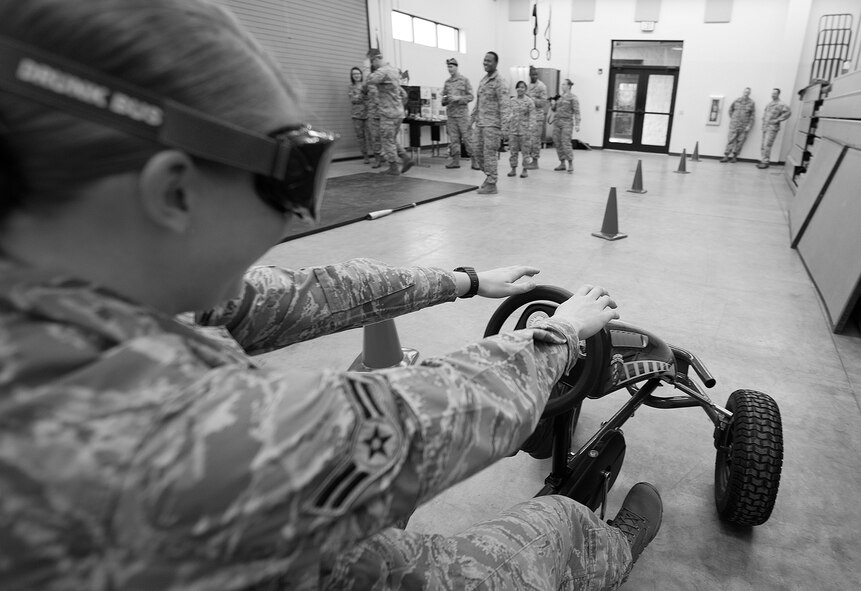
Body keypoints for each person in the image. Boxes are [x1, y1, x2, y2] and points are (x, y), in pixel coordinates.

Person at [0, 1, 664, 589]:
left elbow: (301, 295)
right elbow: (418, 423)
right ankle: (607, 548)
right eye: (289, 177)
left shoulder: (75, 286)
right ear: (174, 191)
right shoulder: (149, 440)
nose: (304, 212)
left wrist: (463, 280)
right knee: (552, 528)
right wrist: (556, 334)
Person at [364, 48, 414, 175]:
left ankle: (393, 167)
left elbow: (369, 80)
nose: (372, 65)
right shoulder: (393, 69)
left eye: (371, 62)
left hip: (388, 112)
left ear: (376, 59)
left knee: (386, 139)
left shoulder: (382, 71)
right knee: (391, 138)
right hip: (398, 111)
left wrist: (366, 68)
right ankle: (405, 157)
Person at [472, 51, 511, 195]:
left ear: (496, 63)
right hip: (480, 123)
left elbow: (505, 105)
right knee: (476, 151)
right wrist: (471, 119)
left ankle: (492, 183)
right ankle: (489, 177)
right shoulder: (483, 80)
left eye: (489, 61)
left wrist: (505, 127)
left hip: (493, 125)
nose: (485, 63)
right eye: (484, 60)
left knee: (489, 154)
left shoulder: (500, 82)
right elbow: (478, 102)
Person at [441, 57, 474, 169]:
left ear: (456, 67)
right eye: (448, 67)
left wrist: (458, 98)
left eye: (451, 67)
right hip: (451, 115)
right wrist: (445, 100)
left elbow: (471, 96)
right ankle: (455, 161)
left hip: (462, 115)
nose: (449, 69)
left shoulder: (464, 80)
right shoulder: (447, 83)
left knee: (468, 138)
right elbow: (444, 97)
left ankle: (474, 161)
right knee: (454, 140)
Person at [506, 81, 536, 179]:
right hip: (513, 130)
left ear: (525, 89)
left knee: (526, 152)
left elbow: (532, 116)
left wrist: (530, 129)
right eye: (518, 87)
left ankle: (525, 170)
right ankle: (513, 169)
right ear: (516, 89)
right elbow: (507, 114)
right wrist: (506, 125)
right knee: (513, 151)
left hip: (525, 131)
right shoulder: (512, 101)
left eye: (522, 87)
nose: (520, 89)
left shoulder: (529, 101)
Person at [757, 87, 791, 169]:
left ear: (778, 94)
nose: (773, 95)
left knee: (767, 145)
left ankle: (765, 162)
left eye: (775, 93)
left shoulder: (781, 104)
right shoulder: (770, 103)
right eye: (772, 93)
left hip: (772, 127)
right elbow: (765, 114)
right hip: (765, 126)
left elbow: (788, 113)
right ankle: (763, 161)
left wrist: (778, 120)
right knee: (763, 145)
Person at [552, 78, 581, 173]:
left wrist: (577, 124)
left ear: (569, 86)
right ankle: (562, 163)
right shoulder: (559, 97)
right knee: (557, 142)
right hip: (557, 122)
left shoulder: (573, 98)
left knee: (566, 143)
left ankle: (570, 163)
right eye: (562, 84)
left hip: (567, 123)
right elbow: (554, 109)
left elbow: (577, 112)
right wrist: (553, 104)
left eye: (564, 84)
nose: (562, 86)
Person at [720, 87, 756, 163]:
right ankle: (726, 156)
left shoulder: (751, 103)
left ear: (749, 93)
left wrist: (749, 126)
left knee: (740, 142)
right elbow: (730, 110)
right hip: (734, 125)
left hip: (744, 126)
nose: (746, 93)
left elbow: (752, 116)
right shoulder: (737, 100)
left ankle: (734, 157)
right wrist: (733, 119)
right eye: (745, 92)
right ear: (743, 92)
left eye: (748, 92)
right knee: (730, 140)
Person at [525, 65, 548, 169]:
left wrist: (531, 99)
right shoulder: (527, 86)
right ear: (529, 75)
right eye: (532, 74)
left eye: (536, 74)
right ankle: (529, 160)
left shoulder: (541, 86)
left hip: (537, 117)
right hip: (528, 117)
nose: (534, 76)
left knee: (535, 140)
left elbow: (543, 102)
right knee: (528, 140)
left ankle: (535, 161)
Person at [348, 66, 370, 164]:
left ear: (361, 74)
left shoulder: (366, 85)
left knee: (372, 135)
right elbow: (353, 100)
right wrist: (363, 95)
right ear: (351, 76)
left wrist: (361, 96)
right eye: (354, 74)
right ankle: (365, 156)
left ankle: (378, 156)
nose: (356, 75)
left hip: (368, 114)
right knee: (360, 137)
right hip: (356, 115)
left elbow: (370, 98)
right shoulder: (351, 87)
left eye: (358, 73)